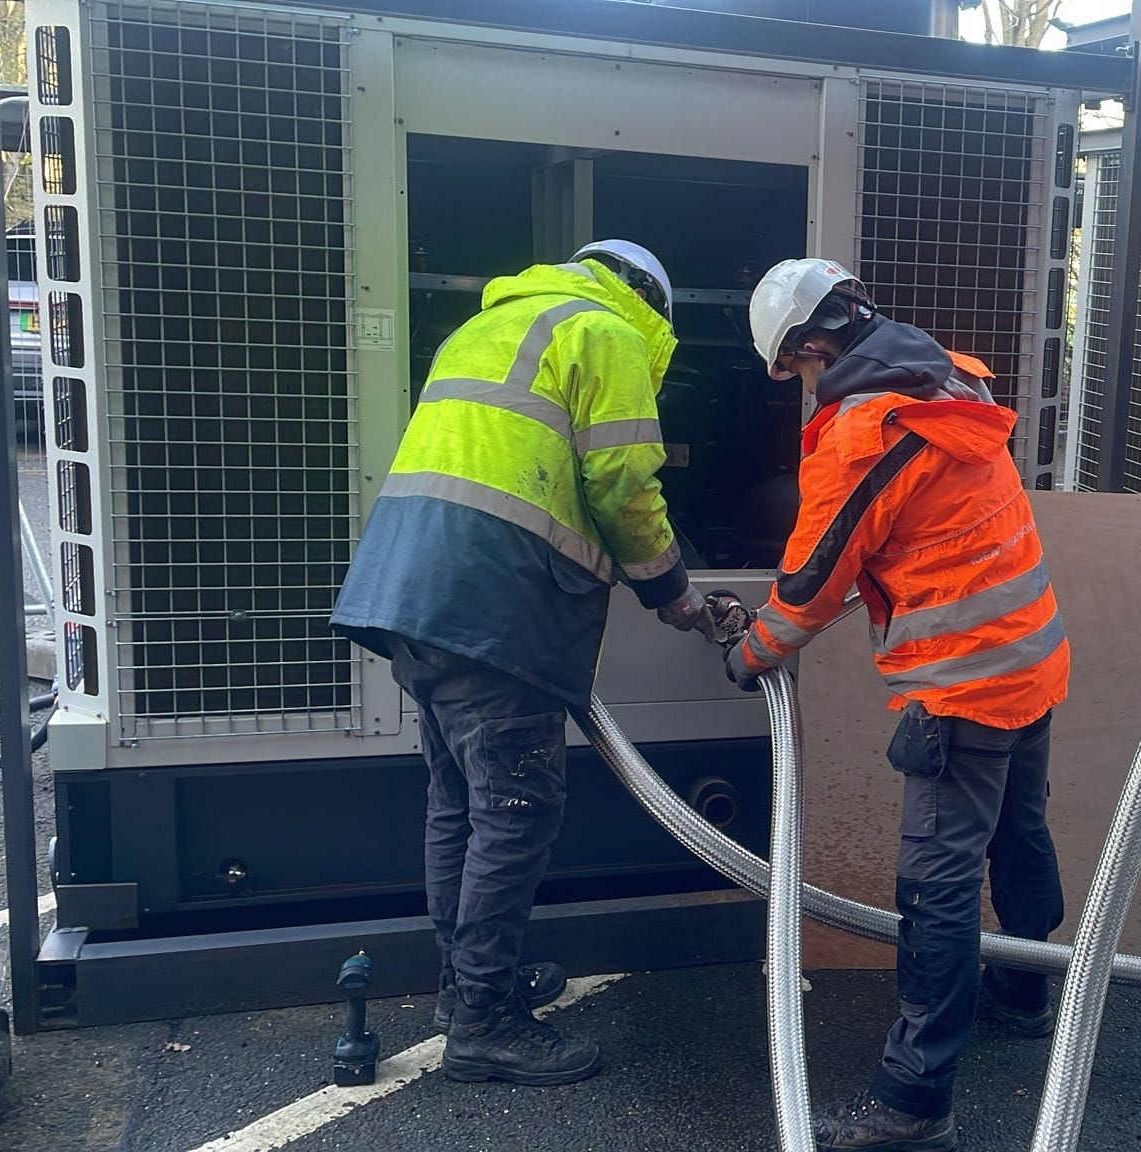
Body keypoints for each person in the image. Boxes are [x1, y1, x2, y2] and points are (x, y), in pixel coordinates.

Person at [331, 240, 711, 1087]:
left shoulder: (485, 328)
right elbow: (621, 482)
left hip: (412, 597)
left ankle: (467, 986)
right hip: (490, 608)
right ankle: (484, 1022)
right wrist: (675, 595)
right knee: (515, 808)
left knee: (460, 805)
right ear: (648, 300)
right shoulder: (605, 334)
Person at [729, 258, 1071, 1151]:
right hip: (1031, 655)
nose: (799, 388)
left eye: (794, 370)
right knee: (1019, 834)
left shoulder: (863, 433)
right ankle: (1027, 995)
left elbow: (808, 582)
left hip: (960, 685)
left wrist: (751, 651)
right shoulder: (947, 375)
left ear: (810, 347)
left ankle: (915, 1098)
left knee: (936, 888)